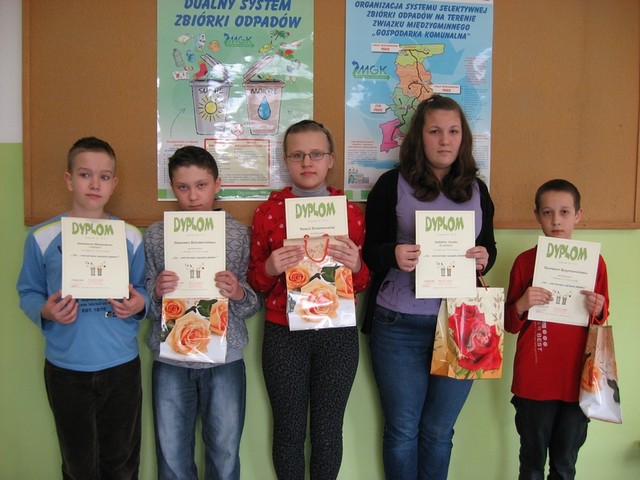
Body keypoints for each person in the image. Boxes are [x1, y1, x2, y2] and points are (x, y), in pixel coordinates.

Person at [362, 95, 497, 480]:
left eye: (453, 131)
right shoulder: (391, 184)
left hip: (462, 323)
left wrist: (485, 257)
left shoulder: (477, 189)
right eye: (435, 131)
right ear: (419, 137)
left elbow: (489, 247)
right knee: (403, 428)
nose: (444, 140)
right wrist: (392, 254)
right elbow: (370, 250)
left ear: (463, 137)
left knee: (439, 431)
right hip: (398, 322)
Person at [16, 136, 149, 479]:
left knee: (121, 464)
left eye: (104, 177)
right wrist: (45, 312)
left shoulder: (130, 236)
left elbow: (143, 290)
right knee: (78, 465)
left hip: (120, 366)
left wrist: (139, 304)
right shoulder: (42, 236)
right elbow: (28, 291)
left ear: (114, 183)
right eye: (85, 174)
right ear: (69, 179)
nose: (94, 184)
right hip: (66, 369)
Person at [248, 119, 370, 479]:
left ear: (330, 160)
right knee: (288, 431)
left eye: (316, 154)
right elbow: (255, 281)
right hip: (284, 333)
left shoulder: (350, 214)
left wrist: (357, 265)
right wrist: (270, 268)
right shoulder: (268, 212)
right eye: (297, 155)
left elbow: (361, 283)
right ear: (286, 160)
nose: (307, 162)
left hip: (337, 333)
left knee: (328, 432)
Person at [144, 146, 261, 480]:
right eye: (183, 187)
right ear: (172, 187)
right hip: (171, 360)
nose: (193, 196)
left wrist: (238, 292)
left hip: (224, 358)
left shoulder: (239, 235)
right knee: (171, 458)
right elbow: (146, 307)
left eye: (201, 185)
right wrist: (157, 292)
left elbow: (253, 304)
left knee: (224, 455)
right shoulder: (156, 235)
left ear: (217, 184)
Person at [505, 179, 609, 480]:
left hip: (578, 379)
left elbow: (601, 320)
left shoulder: (595, 263)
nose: (556, 221)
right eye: (547, 212)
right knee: (531, 466)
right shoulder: (525, 262)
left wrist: (597, 308)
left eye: (564, 212)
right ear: (537, 215)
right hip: (534, 380)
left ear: (578, 215)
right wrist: (522, 304)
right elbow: (510, 324)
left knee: (565, 466)